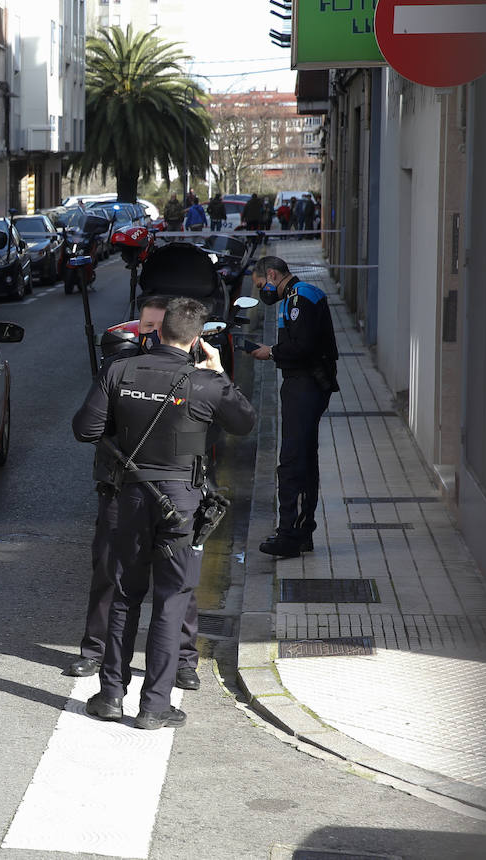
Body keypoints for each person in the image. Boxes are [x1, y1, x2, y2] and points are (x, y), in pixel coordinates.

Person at [74, 297, 255, 730]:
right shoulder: (205, 382)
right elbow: (244, 422)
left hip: (129, 497)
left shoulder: (119, 371)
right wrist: (218, 372)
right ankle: (155, 706)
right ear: (197, 340)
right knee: (172, 600)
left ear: (157, 331)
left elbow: (85, 429)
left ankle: (111, 695)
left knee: (124, 595)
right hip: (181, 504)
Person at [66, 297, 205, 692]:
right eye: (145, 329)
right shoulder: (119, 370)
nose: (152, 336)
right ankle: (95, 650)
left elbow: (207, 434)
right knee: (110, 570)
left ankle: (183, 658)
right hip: (120, 485)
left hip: (173, 493)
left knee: (178, 581)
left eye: (158, 329)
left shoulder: (195, 375)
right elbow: (88, 427)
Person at [249, 256, 339, 557]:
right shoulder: (294, 296)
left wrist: (270, 352)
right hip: (303, 384)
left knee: (292, 461)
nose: (262, 292)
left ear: (272, 274)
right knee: (303, 459)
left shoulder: (300, 297)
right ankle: (301, 532)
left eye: (261, 285)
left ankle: (289, 535)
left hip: (306, 384)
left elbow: (303, 346)